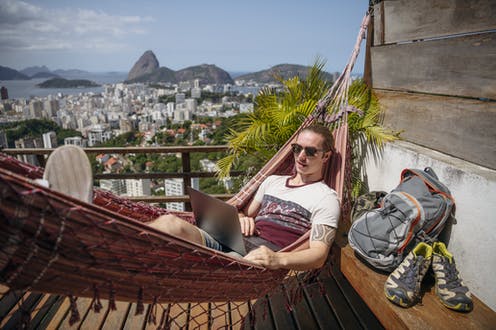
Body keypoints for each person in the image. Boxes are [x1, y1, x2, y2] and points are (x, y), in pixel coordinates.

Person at [149, 124, 340, 271]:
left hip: (255, 261)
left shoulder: (326, 198)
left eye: (311, 151)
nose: (301, 156)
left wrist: (277, 259)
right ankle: (121, 257)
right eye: (297, 148)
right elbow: (243, 212)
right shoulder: (273, 181)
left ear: (325, 157)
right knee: (169, 224)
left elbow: (319, 254)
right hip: (229, 240)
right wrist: (242, 219)